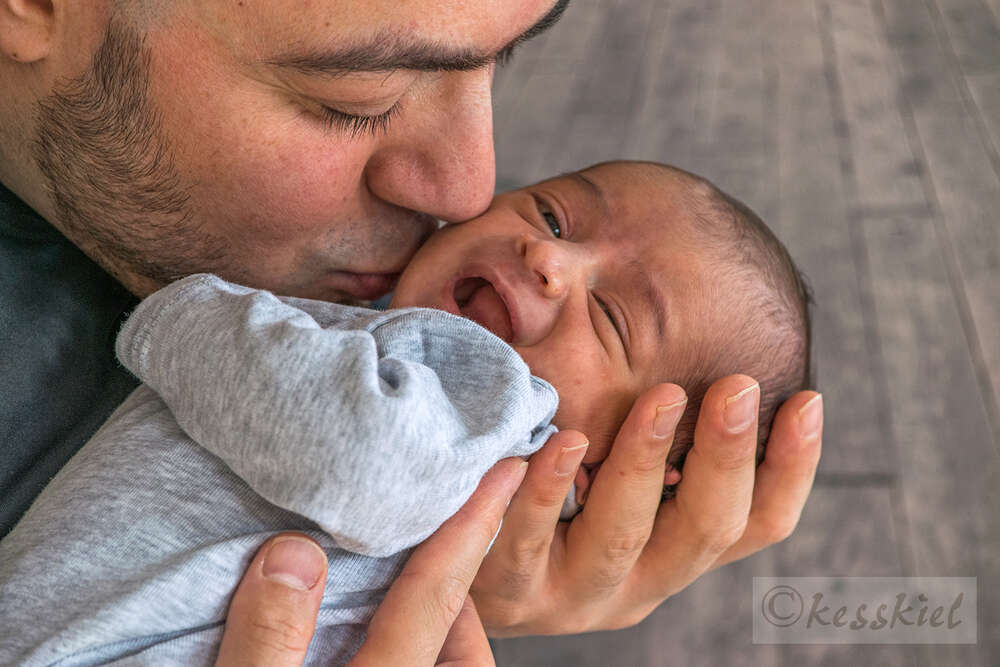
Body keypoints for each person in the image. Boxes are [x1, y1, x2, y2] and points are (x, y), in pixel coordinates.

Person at [0, 1, 823, 662]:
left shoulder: (477, 380)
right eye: (361, 96)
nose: (470, 190)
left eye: (504, 57)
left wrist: (462, 580)